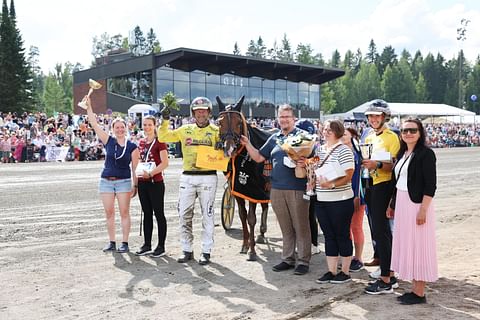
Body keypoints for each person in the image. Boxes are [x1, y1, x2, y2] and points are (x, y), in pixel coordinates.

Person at [241, 104, 311, 276]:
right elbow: (258, 157)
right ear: (278, 119)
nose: (284, 120)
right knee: (285, 227)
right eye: (281, 117)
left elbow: (313, 158)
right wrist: (247, 143)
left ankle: (303, 260)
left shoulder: (303, 137)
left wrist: (305, 162)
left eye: (287, 116)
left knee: (301, 226)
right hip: (277, 188)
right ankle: (287, 259)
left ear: (293, 118)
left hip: (296, 188)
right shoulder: (275, 138)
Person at [157, 97, 220, 265]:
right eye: (198, 110)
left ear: (209, 112)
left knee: (207, 215)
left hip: (209, 177)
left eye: (204, 110)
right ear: (193, 112)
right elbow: (163, 137)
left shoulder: (216, 131)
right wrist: (164, 120)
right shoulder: (184, 130)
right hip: (187, 177)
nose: (201, 113)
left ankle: (206, 252)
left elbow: (226, 152)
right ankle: (187, 250)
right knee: (184, 215)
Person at [388, 118, 437, 305]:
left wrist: (423, 209)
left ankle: (419, 292)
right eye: (405, 131)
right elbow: (398, 182)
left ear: (420, 132)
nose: (408, 133)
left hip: (417, 204)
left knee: (420, 245)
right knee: (408, 243)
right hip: (402, 202)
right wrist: (391, 205)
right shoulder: (403, 153)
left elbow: (430, 186)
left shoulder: (426, 154)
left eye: (412, 130)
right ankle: (414, 288)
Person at [84, 97, 139, 253]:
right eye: (117, 127)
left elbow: (135, 168)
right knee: (109, 213)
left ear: (126, 128)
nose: (120, 130)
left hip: (123, 182)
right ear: (113, 129)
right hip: (106, 181)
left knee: (124, 212)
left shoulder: (132, 146)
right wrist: (89, 106)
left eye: (122, 127)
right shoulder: (109, 141)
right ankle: (112, 241)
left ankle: (125, 242)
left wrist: (136, 185)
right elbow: (94, 124)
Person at [362, 99, 400, 295]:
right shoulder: (369, 136)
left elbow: (392, 165)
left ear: (385, 117)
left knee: (382, 231)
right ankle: (389, 272)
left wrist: (375, 165)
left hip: (384, 185)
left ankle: (387, 277)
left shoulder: (391, 137)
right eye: (370, 116)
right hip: (370, 185)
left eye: (377, 115)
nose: (373, 119)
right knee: (378, 231)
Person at [311, 120, 355, 284]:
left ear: (338, 132)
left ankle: (344, 271)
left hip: (341, 200)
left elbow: (349, 174)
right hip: (322, 199)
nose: (326, 132)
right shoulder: (320, 149)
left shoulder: (344, 150)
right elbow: (316, 171)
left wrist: (332, 184)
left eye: (330, 129)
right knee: (329, 236)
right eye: (325, 129)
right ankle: (331, 270)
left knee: (342, 235)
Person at [135, 116, 169, 257]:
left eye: (149, 124)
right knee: (146, 213)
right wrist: (136, 182)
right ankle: (147, 244)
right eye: (145, 124)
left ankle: (161, 246)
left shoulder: (160, 141)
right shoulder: (141, 142)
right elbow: (139, 161)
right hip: (143, 182)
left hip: (155, 182)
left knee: (158, 214)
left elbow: (165, 163)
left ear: (155, 126)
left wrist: (151, 173)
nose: (147, 127)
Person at [342, 127, 365, 272]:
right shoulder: (337, 150)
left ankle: (358, 258)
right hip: (341, 194)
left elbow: (359, 177)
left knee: (355, 226)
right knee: (344, 227)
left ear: (352, 135)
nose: (342, 136)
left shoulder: (358, 151)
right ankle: (347, 257)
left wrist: (357, 195)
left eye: (344, 133)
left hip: (356, 194)